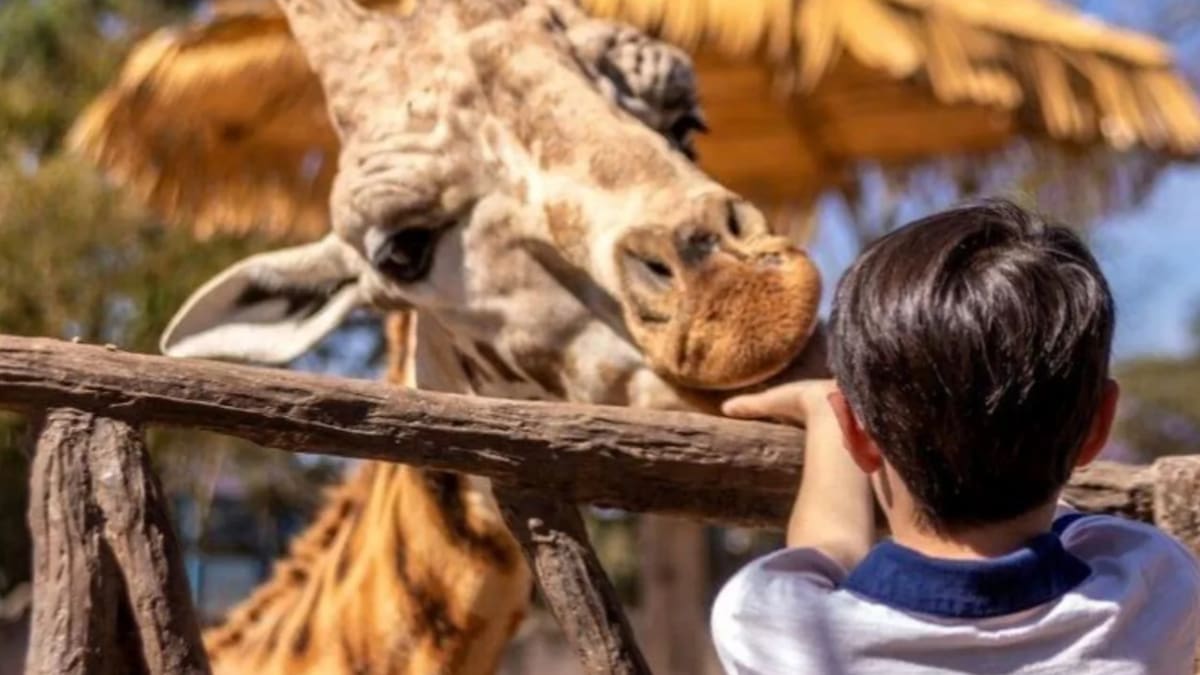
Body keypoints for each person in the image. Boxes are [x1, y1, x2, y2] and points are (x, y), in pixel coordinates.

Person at [711, 199, 1200, 674]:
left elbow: (829, 552)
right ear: (1098, 427)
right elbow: (1065, 524)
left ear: (854, 433)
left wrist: (825, 414)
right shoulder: (1156, 588)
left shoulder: (768, 625)